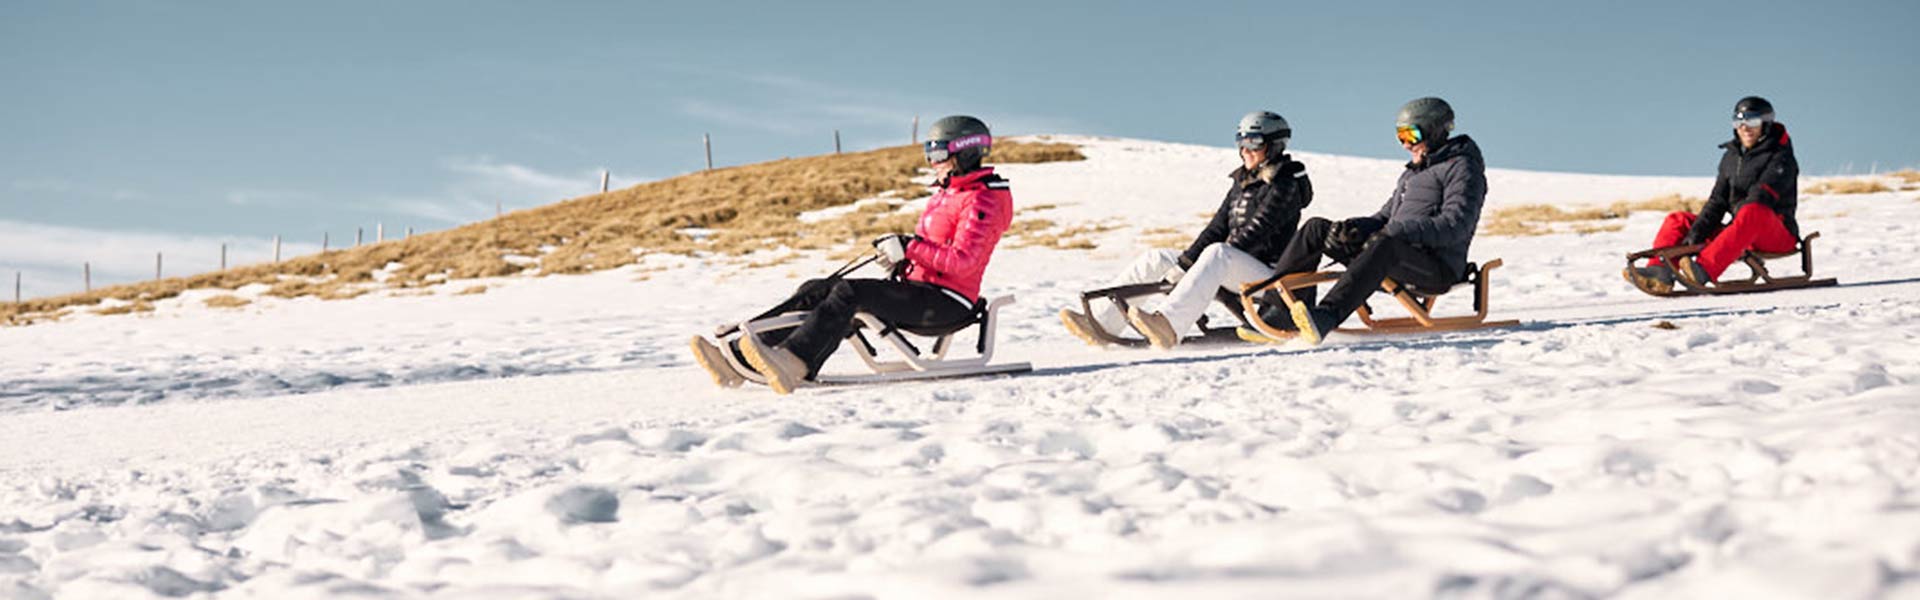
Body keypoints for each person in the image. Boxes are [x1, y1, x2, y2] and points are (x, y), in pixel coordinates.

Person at [689, 115, 1014, 394]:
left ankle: (794, 362)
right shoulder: (948, 194)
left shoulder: (984, 200)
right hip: (922, 292)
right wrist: (900, 258)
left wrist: (910, 246)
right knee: (818, 288)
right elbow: (933, 251)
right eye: (928, 153)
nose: (932, 162)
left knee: (852, 293)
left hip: (947, 303)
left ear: (967, 153)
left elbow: (963, 261)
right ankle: (739, 356)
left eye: (940, 153)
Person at [1057, 111, 1314, 349]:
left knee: (1218, 253)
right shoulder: (1243, 182)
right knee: (1157, 258)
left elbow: (1257, 231)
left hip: (1268, 277)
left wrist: (1198, 264)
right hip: (1233, 265)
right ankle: (1102, 324)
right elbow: (1216, 228)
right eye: (1241, 141)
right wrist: (1185, 263)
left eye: (1254, 141)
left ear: (1275, 145)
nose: (1245, 149)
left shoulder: (1285, 184)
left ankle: (1168, 325)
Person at [1271, 97, 1488, 345]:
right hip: (1394, 253)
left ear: (1437, 130)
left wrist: (1396, 232)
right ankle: (1279, 313)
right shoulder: (1412, 173)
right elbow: (1385, 217)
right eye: (1400, 136)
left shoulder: (1463, 169)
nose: (1406, 144)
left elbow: (1454, 225)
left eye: (1412, 135)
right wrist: (1353, 227)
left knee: (1387, 245)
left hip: (1437, 268)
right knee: (1317, 228)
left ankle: (1326, 316)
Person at [1625, 96, 1800, 293]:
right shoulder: (1730, 158)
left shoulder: (1781, 157)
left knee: (1752, 209)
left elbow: (1761, 196)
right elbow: (1717, 202)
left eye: (1751, 121)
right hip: (1739, 232)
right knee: (1678, 220)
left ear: (1766, 124)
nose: (1745, 127)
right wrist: (1696, 234)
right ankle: (1659, 271)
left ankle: (1703, 269)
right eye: (1739, 121)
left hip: (1778, 235)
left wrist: (1724, 234)